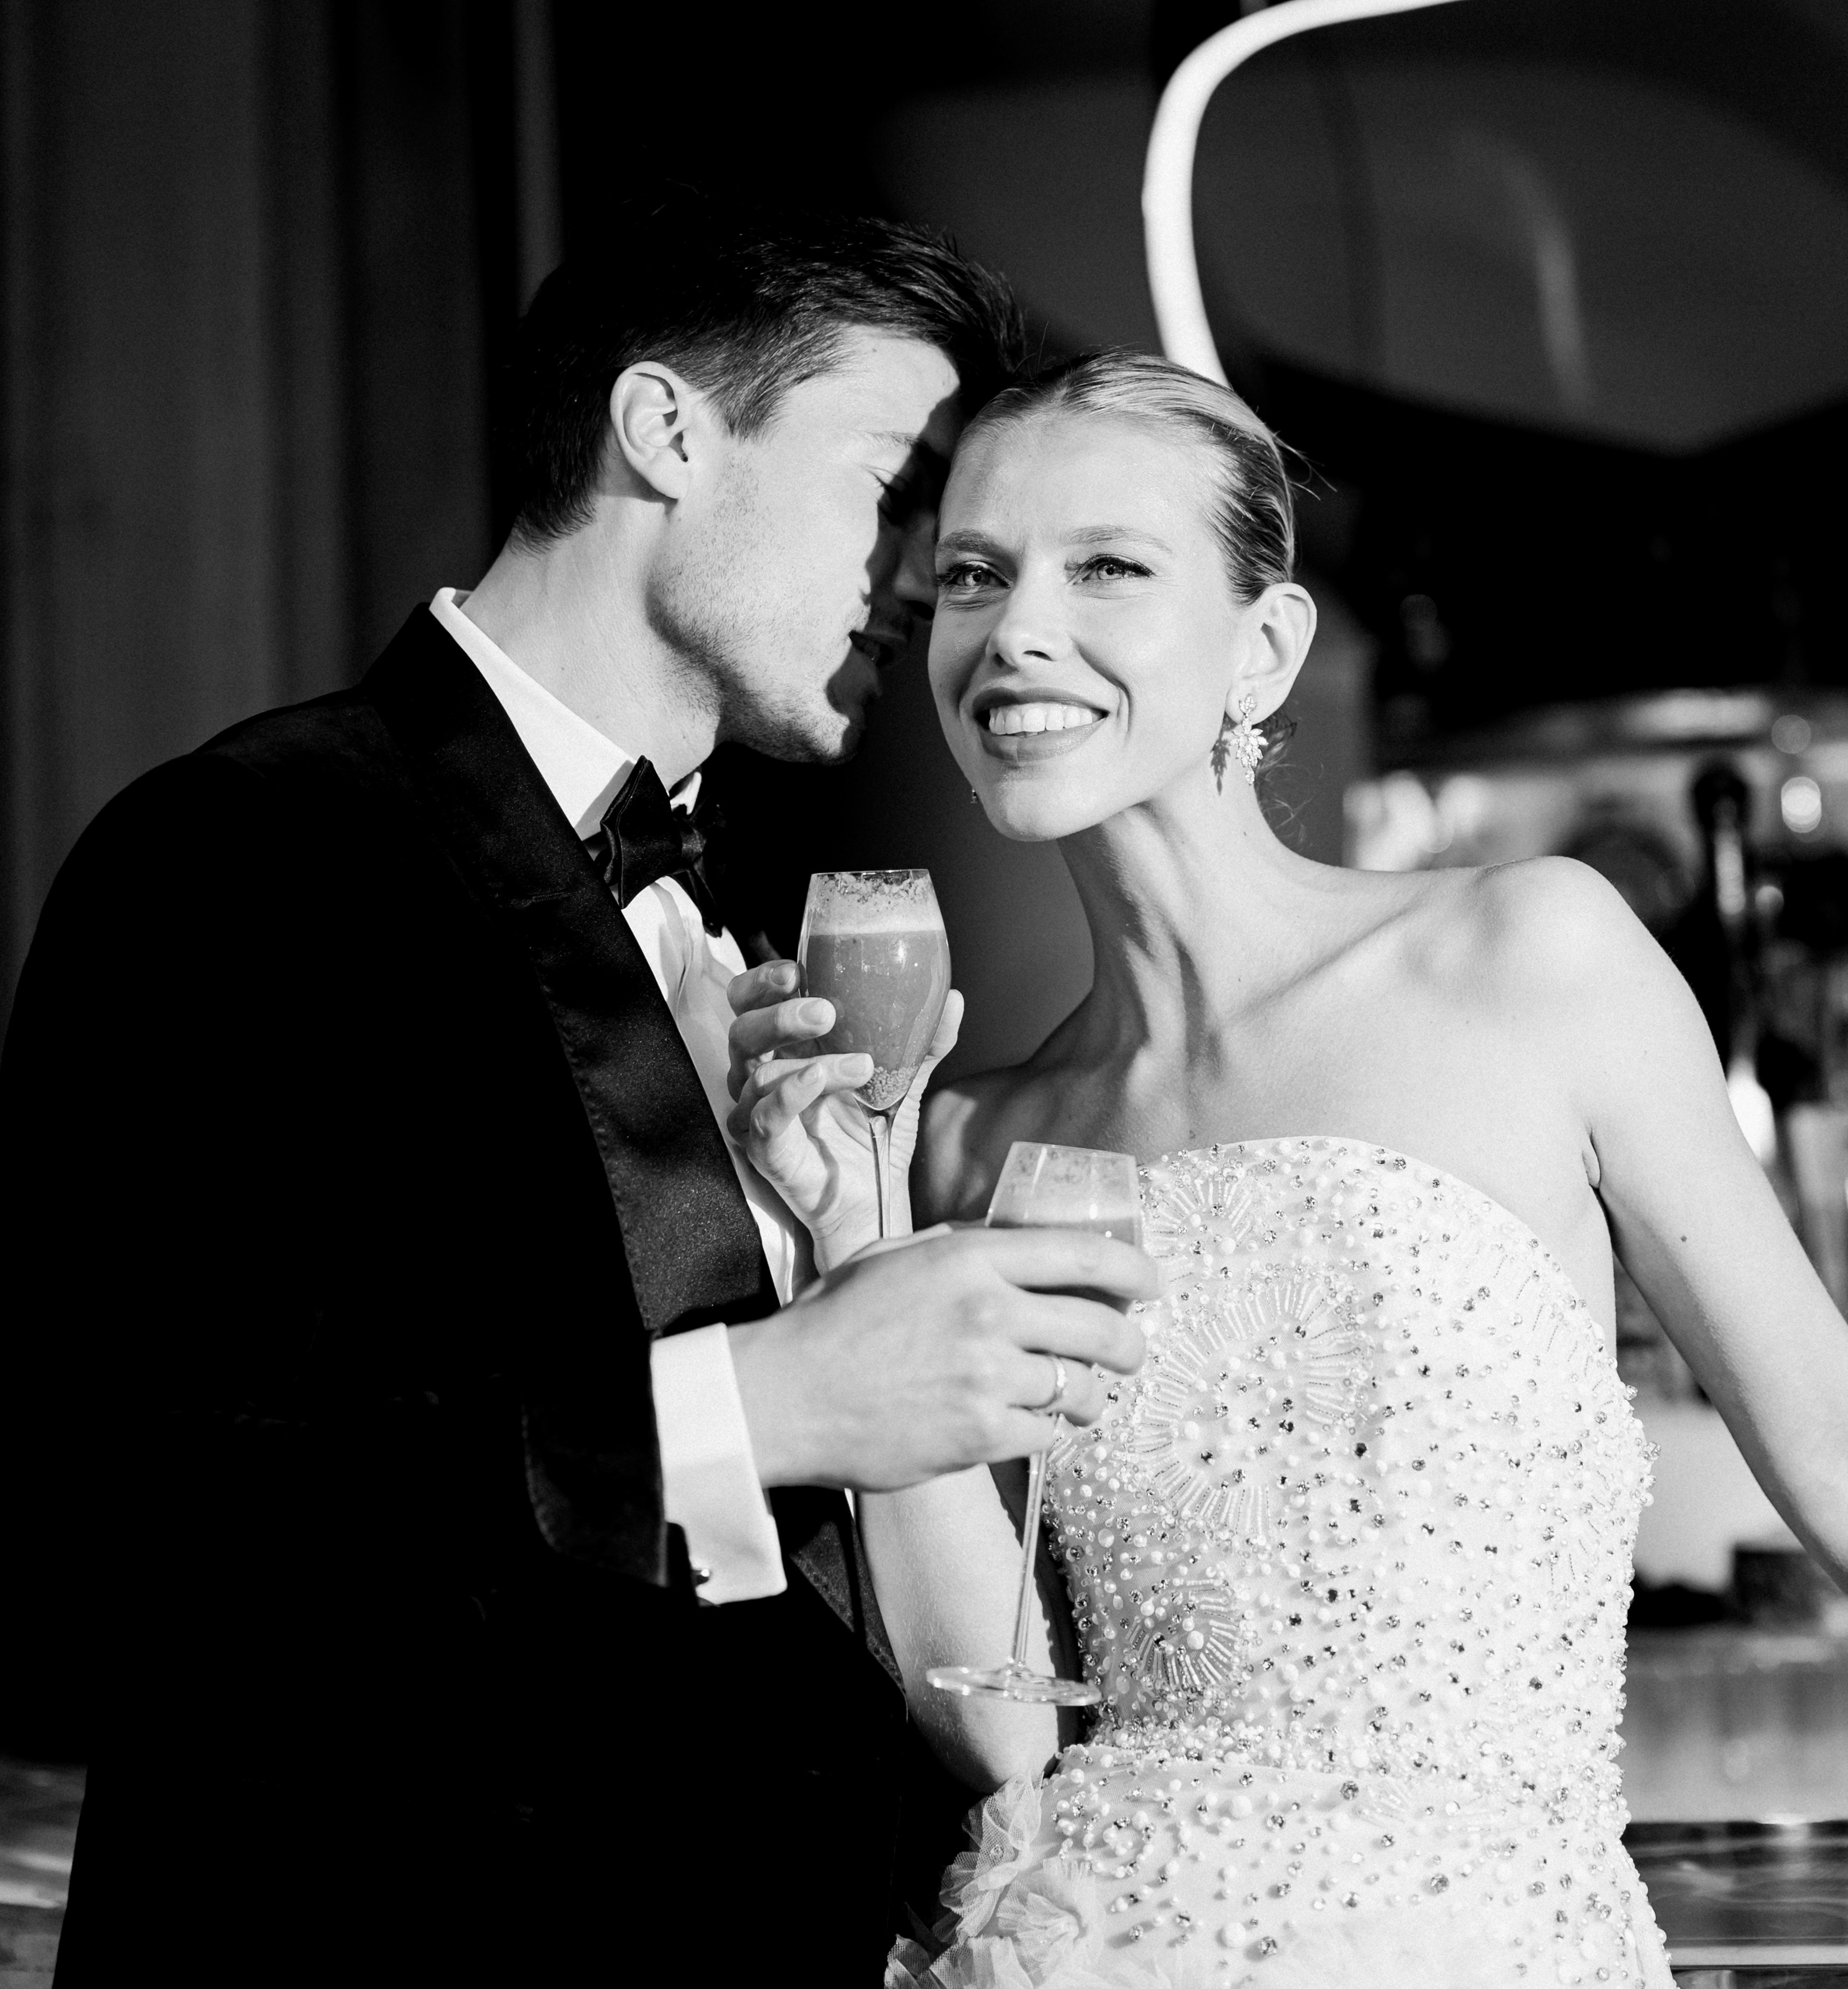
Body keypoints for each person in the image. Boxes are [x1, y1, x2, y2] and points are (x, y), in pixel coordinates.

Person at [733, 348, 1848, 1987]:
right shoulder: (972, 1137)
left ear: (1265, 648)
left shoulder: (1527, 954)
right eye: (975, 575)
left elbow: (1837, 1445)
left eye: (1107, 565)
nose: (1015, 631)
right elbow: (988, 1718)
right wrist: (853, 1226)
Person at [0, 214, 1157, 1987]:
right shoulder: (244, 847)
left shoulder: (735, 939)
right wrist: (762, 1400)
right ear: (665, 431)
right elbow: (107, 1524)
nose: (931, 579)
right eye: (892, 485)